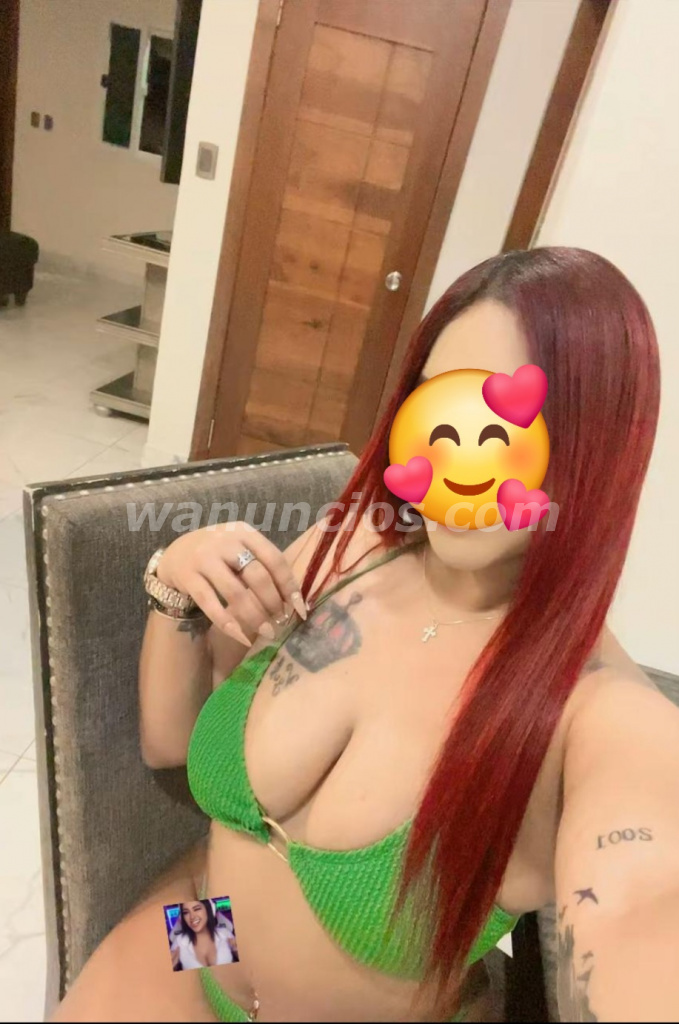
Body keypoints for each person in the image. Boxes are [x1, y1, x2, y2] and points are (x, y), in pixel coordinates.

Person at [51, 248, 679, 1023]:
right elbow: (170, 744)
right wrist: (176, 579)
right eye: (438, 409)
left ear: (598, 449)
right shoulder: (348, 548)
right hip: (202, 946)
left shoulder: (599, 715)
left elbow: (641, 907)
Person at [169, 901, 238, 971]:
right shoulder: (179, 941)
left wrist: (237, 952)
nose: (192, 917)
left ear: (210, 910)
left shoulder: (225, 933)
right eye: (186, 912)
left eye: (197, 909)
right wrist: (172, 967)